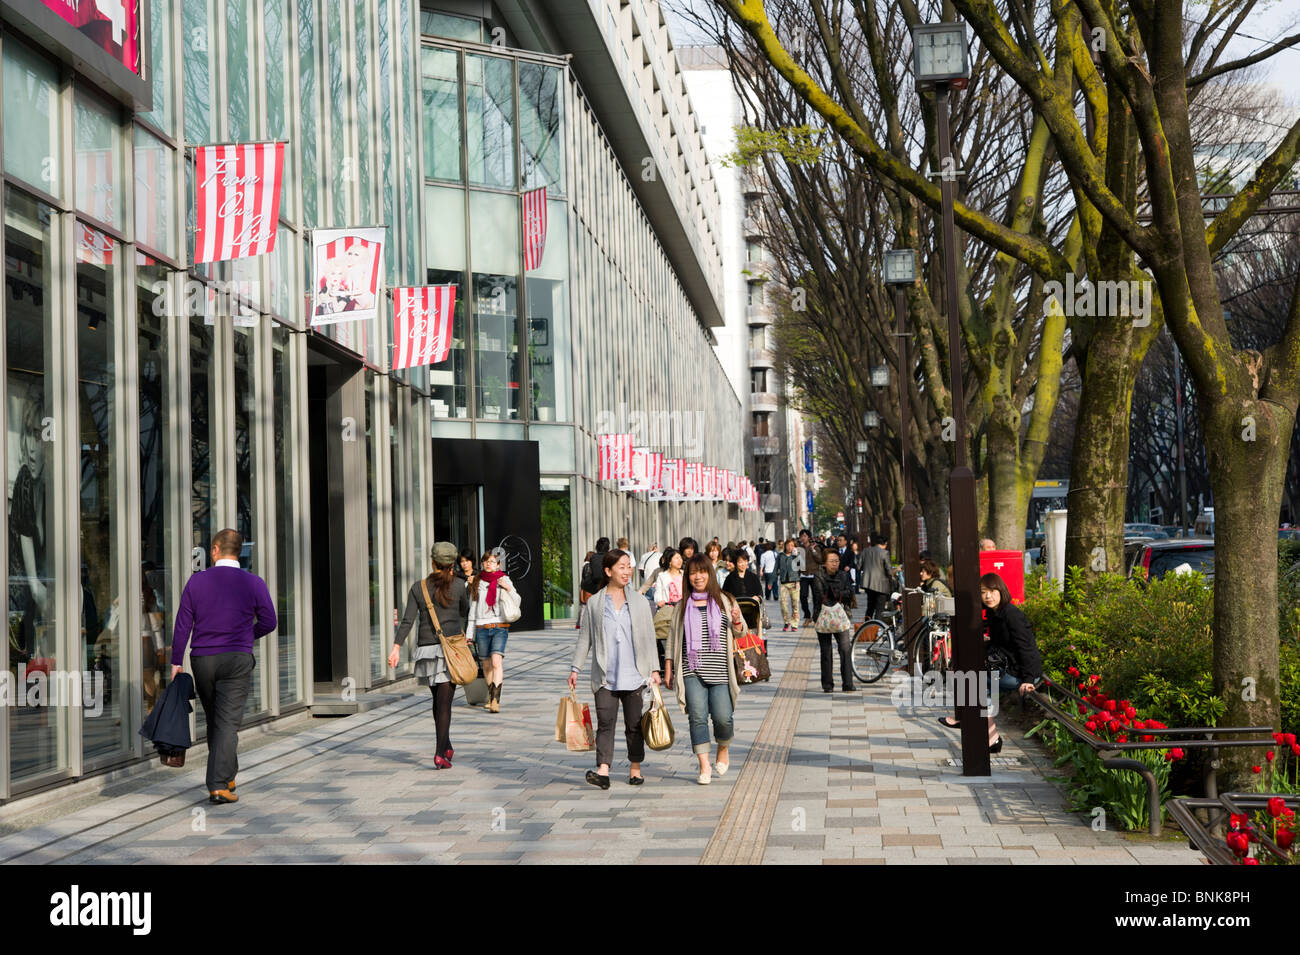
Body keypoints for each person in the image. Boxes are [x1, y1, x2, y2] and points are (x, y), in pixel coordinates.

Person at [170, 529, 277, 803]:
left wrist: (175, 662)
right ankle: (218, 784)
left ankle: (227, 776)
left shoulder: (196, 582)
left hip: (203, 659)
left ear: (215, 549)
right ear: (238, 551)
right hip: (237, 660)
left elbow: (184, 624)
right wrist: (246, 636)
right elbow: (270, 621)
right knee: (227, 723)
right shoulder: (254, 583)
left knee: (217, 721)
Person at [570, 549, 661, 788]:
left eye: (629, 566)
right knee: (605, 722)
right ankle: (603, 770)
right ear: (608, 571)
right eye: (621, 567)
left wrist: (655, 670)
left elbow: (649, 638)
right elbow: (585, 639)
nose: (627, 571)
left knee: (634, 725)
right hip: (605, 676)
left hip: (635, 675)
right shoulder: (595, 603)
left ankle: (635, 768)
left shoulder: (641, 602)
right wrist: (575, 669)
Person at [937, 573, 1042, 752]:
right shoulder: (995, 614)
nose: (988, 596)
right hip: (1006, 668)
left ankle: (971, 721)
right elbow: (996, 644)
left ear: (1001, 591)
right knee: (969, 678)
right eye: (984, 592)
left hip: (1020, 673)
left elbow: (1027, 648)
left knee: (973, 681)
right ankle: (988, 736)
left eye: (993, 591)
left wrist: (1029, 679)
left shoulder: (1011, 615)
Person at [666, 553, 746, 785]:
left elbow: (741, 633)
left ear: (709, 574)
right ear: (687, 577)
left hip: (720, 671)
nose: (697, 576)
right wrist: (669, 668)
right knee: (698, 717)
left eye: (702, 572)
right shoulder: (682, 606)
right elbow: (672, 639)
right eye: (692, 573)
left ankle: (723, 747)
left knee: (723, 718)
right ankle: (704, 765)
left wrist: (737, 620)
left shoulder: (725, 600)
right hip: (692, 670)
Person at [389, 541, 471, 769]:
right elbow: (465, 611)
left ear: (432, 561)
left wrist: (396, 647)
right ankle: (439, 753)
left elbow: (408, 620)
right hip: (450, 650)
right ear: (452, 563)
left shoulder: (419, 587)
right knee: (445, 704)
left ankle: (447, 745)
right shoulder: (458, 586)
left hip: (426, 650)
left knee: (438, 701)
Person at [466, 550, 517, 713]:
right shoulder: (477, 581)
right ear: (482, 564)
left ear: (498, 564)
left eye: (492, 561)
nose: (489, 564)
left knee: (496, 662)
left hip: (499, 627)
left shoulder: (504, 579)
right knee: (486, 665)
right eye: (486, 561)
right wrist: (469, 634)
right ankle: (490, 696)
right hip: (481, 627)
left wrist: (507, 588)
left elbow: (517, 600)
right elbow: (473, 608)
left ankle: (495, 700)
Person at [812, 550, 856, 692]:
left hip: (841, 617)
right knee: (826, 651)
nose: (834, 563)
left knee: (845, 649)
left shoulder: (844, 575)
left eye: (837, 561)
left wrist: (836, 594)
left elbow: (850, 593)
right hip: (823, 617)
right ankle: (827, 685)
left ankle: (848, 683)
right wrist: (838, 595)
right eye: (831, 561)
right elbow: (819, 596)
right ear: (824, 563)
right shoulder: (818, 576)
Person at [859, 533, 893, 620]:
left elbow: (858, 566)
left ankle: (867, 627)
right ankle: (877, 629)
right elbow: (889, 570)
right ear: (885, 543)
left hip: (868, 583)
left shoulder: (865, 551)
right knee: (879, 609)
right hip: (881, 584)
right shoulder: (885, 553)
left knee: (870, 607)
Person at [797, 530, 822, 626]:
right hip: (804, 576)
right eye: (801, 536)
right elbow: (796, 565)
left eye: (804, 536)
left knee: (817, 597)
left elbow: (820, 559)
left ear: (809, 537)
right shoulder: (799, 548)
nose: (802, 538)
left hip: (814, 575)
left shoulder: (815, 547)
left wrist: (813, 550)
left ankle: (816, 618)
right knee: (803, 597)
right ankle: (807, 616)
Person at [776, 539, 801, 631]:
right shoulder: (780, 556)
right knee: (783, 604)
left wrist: (796, 556)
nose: (789, 547)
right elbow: (776, 568)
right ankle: (787, 622)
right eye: (788, 545)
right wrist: (770, 582)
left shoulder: (797, 555)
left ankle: (795, 624)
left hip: (794, 583)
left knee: (795, 604)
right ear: (785, 546)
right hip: (783, 583)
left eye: (792, 545)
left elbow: (802, 567)